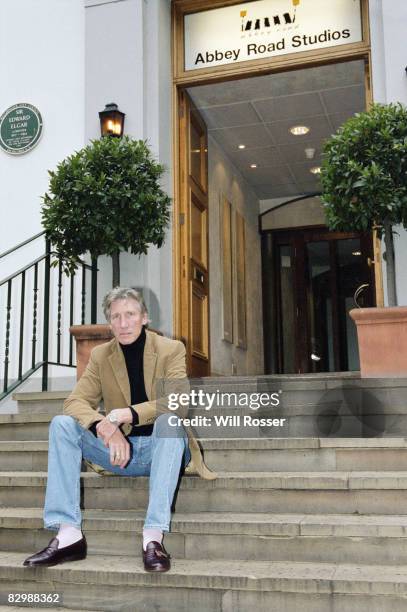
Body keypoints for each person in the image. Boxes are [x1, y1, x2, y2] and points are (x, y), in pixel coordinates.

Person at [23, 287, 215, 572]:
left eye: (130, 315)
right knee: (62, 424)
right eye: (116, 317)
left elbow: (178, 402)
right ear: (110, 323)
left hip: (162, 449)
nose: (123, 323)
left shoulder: (170, 349)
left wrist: (127, 414)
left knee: (170, 420)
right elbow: (74, 402)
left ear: (145, 317)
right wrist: (106, 427)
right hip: (117, 453)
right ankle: (68, 535)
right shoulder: (102, 355)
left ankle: (153, 538)